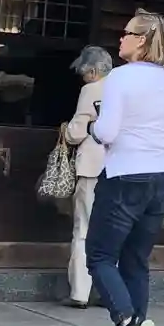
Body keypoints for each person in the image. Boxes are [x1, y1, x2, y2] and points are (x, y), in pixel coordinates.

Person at [85, 7, 164, 326]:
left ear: (141, 41)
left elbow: (107, 132)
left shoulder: (120, 77)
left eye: (127, 33)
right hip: (162, 177)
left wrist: (93, 127)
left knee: (99, 256)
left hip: (125, 175)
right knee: (136, 261)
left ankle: (127, 322)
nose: (121, 38)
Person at [62, 45, 113, 308]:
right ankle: (109, 292)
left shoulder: (91, 90)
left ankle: (80, 293)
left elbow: (76, 132)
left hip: (92, 167)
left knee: (83, 231)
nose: (83, 77)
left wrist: (66, 130)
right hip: (118, 167)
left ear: (93, 71)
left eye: (83, 72)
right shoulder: (124, 88)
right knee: (113, 232)